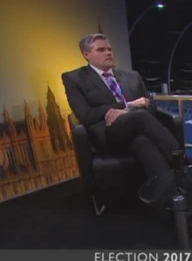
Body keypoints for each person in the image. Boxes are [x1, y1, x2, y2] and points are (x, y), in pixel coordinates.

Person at [62, 33, 181, 179]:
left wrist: (124, 111)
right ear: (87, 54)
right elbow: (86, 115)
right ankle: (184, 163)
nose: (108, 53)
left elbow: (151, 105)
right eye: (101, 50)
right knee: (139, 115)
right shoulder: (75, 79)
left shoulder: (132, 76)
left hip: (138, 131)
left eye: (109, 49)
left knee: (142, 142)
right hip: (107, 134)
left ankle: (169, 192)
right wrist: (128, 105)